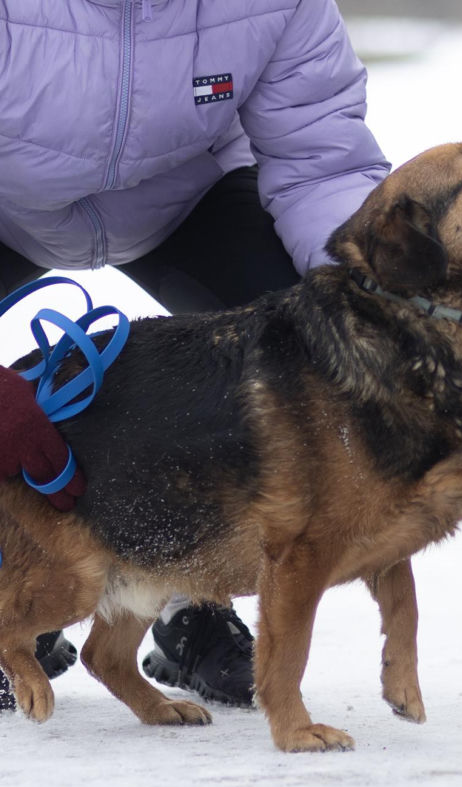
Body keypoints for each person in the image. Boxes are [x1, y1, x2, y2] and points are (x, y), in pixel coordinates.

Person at [0, 0, 389, 711]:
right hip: (8, 201)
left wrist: (372, 296)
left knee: (297, 358)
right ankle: (19, 588)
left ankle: (189, 603)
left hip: (184, 196)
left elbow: (318, 160)